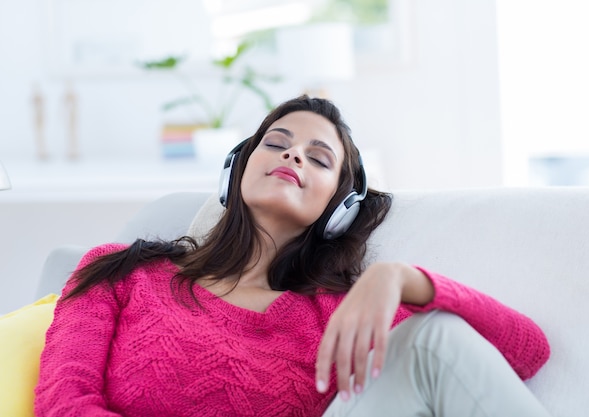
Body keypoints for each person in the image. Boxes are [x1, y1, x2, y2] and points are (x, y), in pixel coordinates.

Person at [35, 96, 552, 417]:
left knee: (434, 337)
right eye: (276, 143)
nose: (293, 154)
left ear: (339, 208)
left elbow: (527, 350)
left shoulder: (340, 314)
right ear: (237, 169)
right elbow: (62, 404)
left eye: (319, 157)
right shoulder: (124, 273)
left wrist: (402, 279)